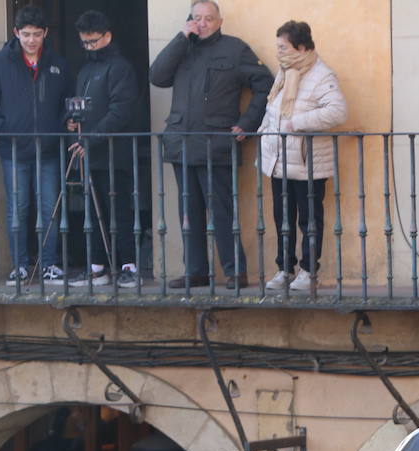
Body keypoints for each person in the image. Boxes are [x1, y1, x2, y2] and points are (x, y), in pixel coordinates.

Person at [149, 1, 272, 290]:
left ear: (220, 21)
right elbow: (157, 76)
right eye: (196, 18)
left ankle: (236, 271)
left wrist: (247, 123)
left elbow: (265, 84)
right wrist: (181, 38)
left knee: (221, 210)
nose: (202, 23)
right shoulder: (183, 47)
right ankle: (196, 271)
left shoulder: (235, 49)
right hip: (182, 142)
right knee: (188, 212)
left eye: (208, 18)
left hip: (217, 144)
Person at [0, 5, 73, 285]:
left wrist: (65, 121)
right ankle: (19, 265)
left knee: (49, 207)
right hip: (14, 150)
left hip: (50, 149)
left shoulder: (58, 63)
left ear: (46, 34)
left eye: (37, 34)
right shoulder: (0, 61)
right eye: (26, 34)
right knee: (17, 209)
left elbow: (69, 99)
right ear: (16, 32)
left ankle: (49, 264)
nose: (31, 40)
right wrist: (2, 129)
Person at [259, 20, 347, 293]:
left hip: (307, 163)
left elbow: (338, 111)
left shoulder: (322, 76)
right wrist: (264, 132)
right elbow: (273, 107)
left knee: (308, 219)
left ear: (300, 47)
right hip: (278, 161)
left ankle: (309, 271)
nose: (278, 52)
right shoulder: (285, 72)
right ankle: (285, 268)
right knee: (281, 217)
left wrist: (298, 122)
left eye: (282, 47)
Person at [64, 10, 147, 288]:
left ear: (107, 36)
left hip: (115, 152)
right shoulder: (86, 69)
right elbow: (83, 107)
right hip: (90, 152)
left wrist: (92, 138)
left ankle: (129, 266)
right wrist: (74, 123)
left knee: (119, 210)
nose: (89, 47)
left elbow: (121, 111)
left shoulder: (120, 67)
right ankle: (97, 267)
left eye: (94, 41)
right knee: (93, 211)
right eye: (84, 42)